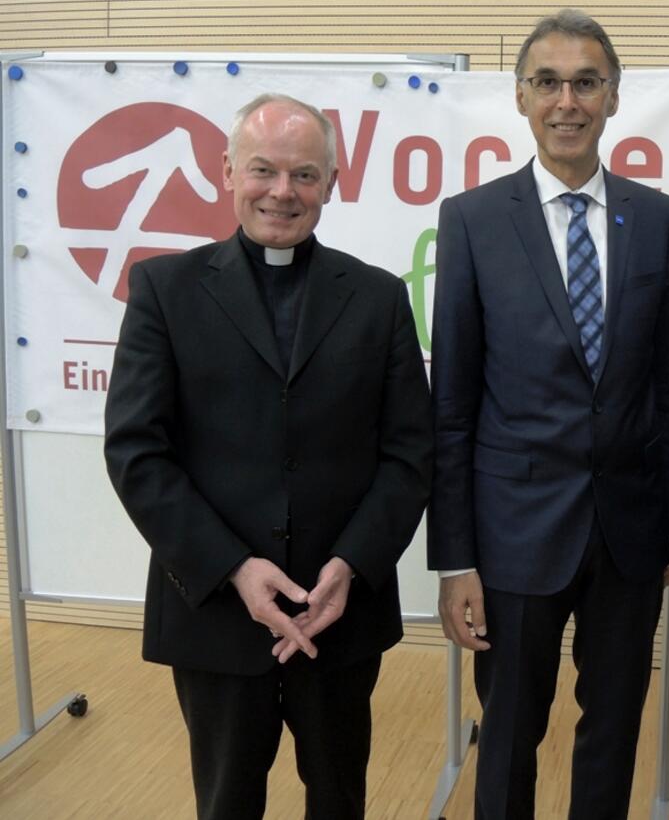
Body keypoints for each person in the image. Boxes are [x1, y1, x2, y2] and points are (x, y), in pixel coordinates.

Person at [104, 93, 433, 820]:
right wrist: (233, 568)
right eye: (264, 170)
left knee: (340, 793)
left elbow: (411, 451)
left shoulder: (378, 297)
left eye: (305, 175)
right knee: (226, 800)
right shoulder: (165, 290)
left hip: (337, 610)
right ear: (227, 171)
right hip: (216, 609)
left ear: (332, 182)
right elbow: (137, 450)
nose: (283, 192)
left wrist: (350, 564)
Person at [428, 9, 669, 819]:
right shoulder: (472, 220)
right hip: (513, 534)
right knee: (508, 730)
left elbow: (666, 388)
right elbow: (453, 403)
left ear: (614, 97)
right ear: (520, 98)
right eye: (547, 82)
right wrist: (454, 558)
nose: (567, 100)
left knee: (612, 727)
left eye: (587, 82)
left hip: (629, 533)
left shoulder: (655, 217)